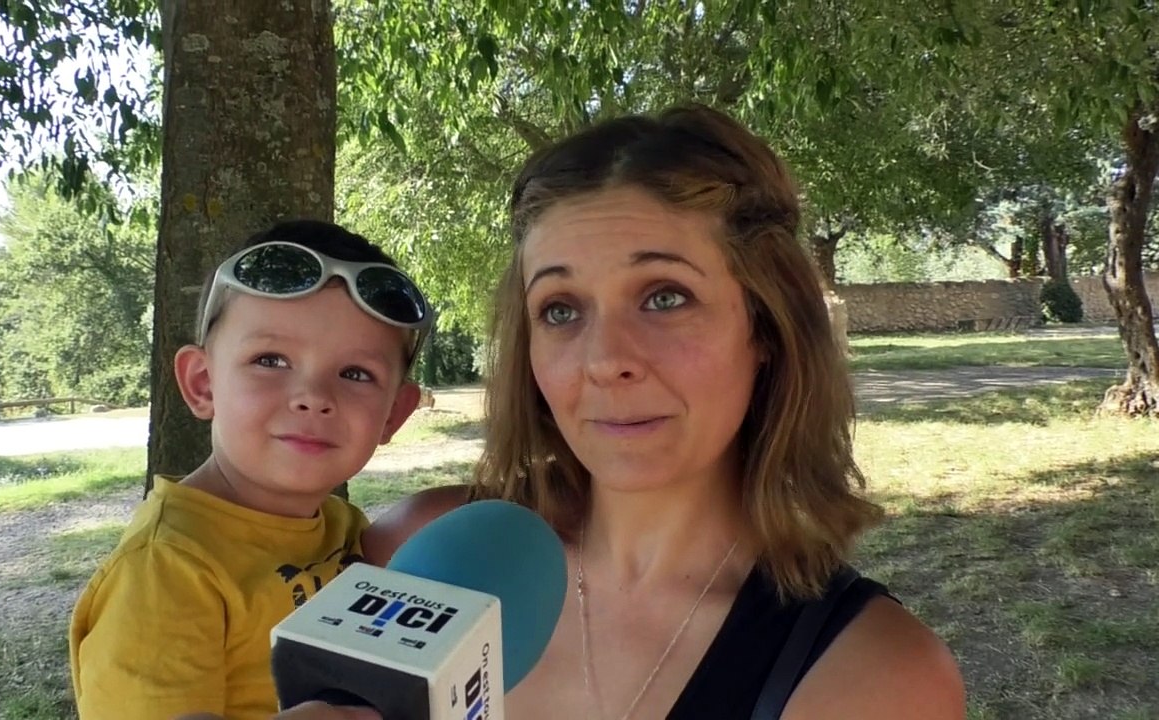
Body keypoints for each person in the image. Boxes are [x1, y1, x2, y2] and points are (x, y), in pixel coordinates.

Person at [365, 104, 966, 718]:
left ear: (766, 327)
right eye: (561, 309)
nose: (605, 360)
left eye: (664, 296)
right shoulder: (414, 556)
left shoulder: (874, 679)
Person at [69, 219, 434, 720]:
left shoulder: (342, 526)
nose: (314, 398)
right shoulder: (166, 572)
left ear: (394, 413)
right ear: (202, 384)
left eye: (355, 374)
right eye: (271, 360)